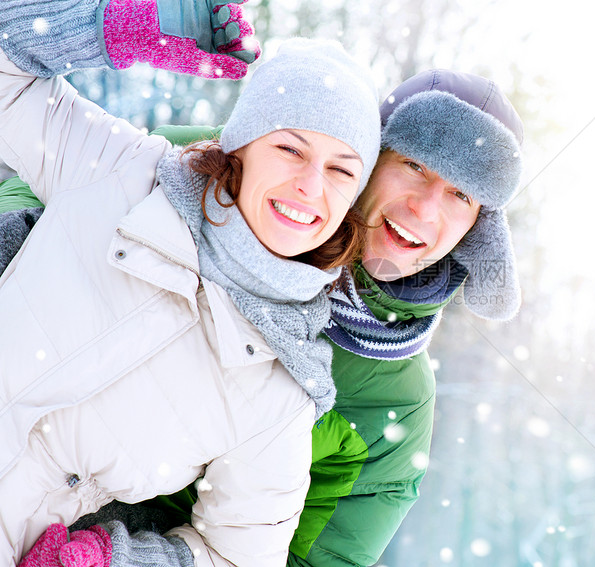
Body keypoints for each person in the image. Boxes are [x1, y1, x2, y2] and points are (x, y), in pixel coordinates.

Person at [0, 69, 525, 566]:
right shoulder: (224, 174)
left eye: (462, 195)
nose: (427, 209)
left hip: (74, 527)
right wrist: (19, 240)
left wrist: (126, 553)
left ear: (479, 231)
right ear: (369, 156)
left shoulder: (392, 403)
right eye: (415, 165)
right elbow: (71, 175)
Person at [0, 0, 381, 565]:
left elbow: (238, 556)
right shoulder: (124, 173)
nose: (310, 184)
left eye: (342, 169)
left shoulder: (279, 391)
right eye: (288, 148)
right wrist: (118, 24)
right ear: (241, 147)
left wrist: (119, 561)